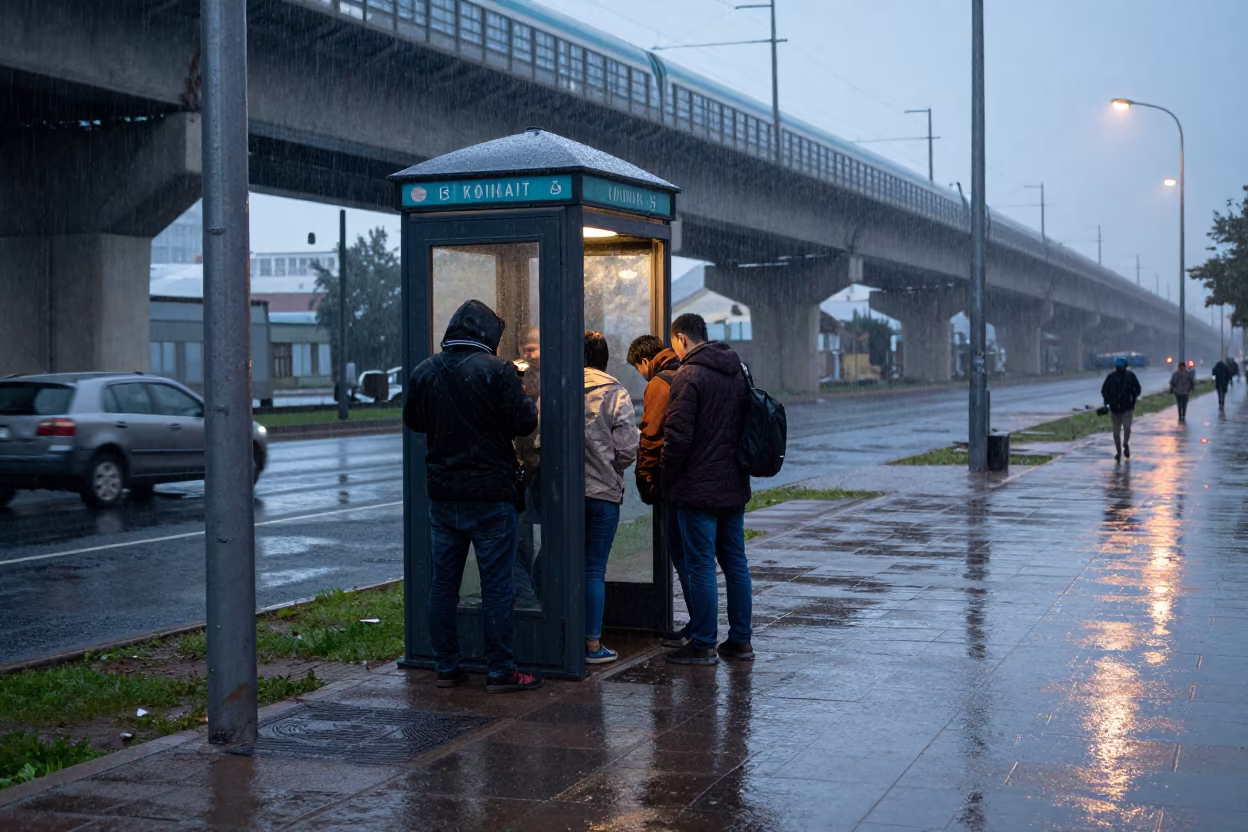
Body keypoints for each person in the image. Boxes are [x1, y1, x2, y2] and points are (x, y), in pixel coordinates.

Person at [403, 299, 542, 694]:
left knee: (443, 584)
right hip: (491, 494)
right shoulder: (498, 371)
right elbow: (524, 421)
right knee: (498, 584)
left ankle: (446, 665)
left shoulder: (425, 370)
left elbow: (413, 420)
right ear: (487, 336)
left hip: (443, 495)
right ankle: (501, 670)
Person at [661, 313, 753, 666]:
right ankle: (741, 642)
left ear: (681, 338)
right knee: (735, 563)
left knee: (700, 565)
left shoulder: (689, 375)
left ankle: (703, 644)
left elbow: (678, 437)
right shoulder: (738, 370)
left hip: (697, 490)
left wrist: (668, 479)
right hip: (733, 485)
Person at [627, 334, 691, 649]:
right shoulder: (688, 372)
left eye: (638, 368)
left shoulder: (659, 382)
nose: (641, 374)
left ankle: (698, 627)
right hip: (701, 481)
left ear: (645, 360)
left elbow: (651, 436)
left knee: (682, 556)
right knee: (702, 557)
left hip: (673, 483)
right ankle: (702, 626)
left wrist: (644, 478)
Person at [582, 331, 640, 664]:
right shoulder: (615, 392)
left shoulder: (559, 387)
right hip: (603, 493)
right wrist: (612, 466)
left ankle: (559, 634)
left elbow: (539, 438)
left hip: (567, 496)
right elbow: (628, 448)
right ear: (604, 358)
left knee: (563, 564)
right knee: (593, 570)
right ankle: (592, 646)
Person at [512, 326, 542, 607]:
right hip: (521, 467)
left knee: (550, 533)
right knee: (521, 538)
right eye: (524, 348)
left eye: (533, 348)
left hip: (544, 466)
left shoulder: (556, 373)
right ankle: (526, 594)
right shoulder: (517, 374)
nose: (528, 354)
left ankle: (537, 590)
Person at [1101, 355, 1141, 462]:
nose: (1120, 368)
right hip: (1115, 409)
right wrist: (1107, 403)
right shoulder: (1111, 377)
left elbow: (1137, 389)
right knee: (1116, 432)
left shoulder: (1130, 376)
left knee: (1127, 428)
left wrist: (1132, 399)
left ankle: (1125, 444)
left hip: (1127, 407)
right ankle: (1118, 452)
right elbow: (1105, 391)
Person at [1170, 360, 1196, 424]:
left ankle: (1181, 415)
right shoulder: (1188, 373)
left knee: (1180, 404)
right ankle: (1182, 415)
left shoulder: (1176, 373)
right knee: (1183, 404)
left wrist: (1172, 389)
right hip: (1184, 392)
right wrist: (1192, 388)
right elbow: (1191, 382)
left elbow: (1172, 382)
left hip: (1179, 391)